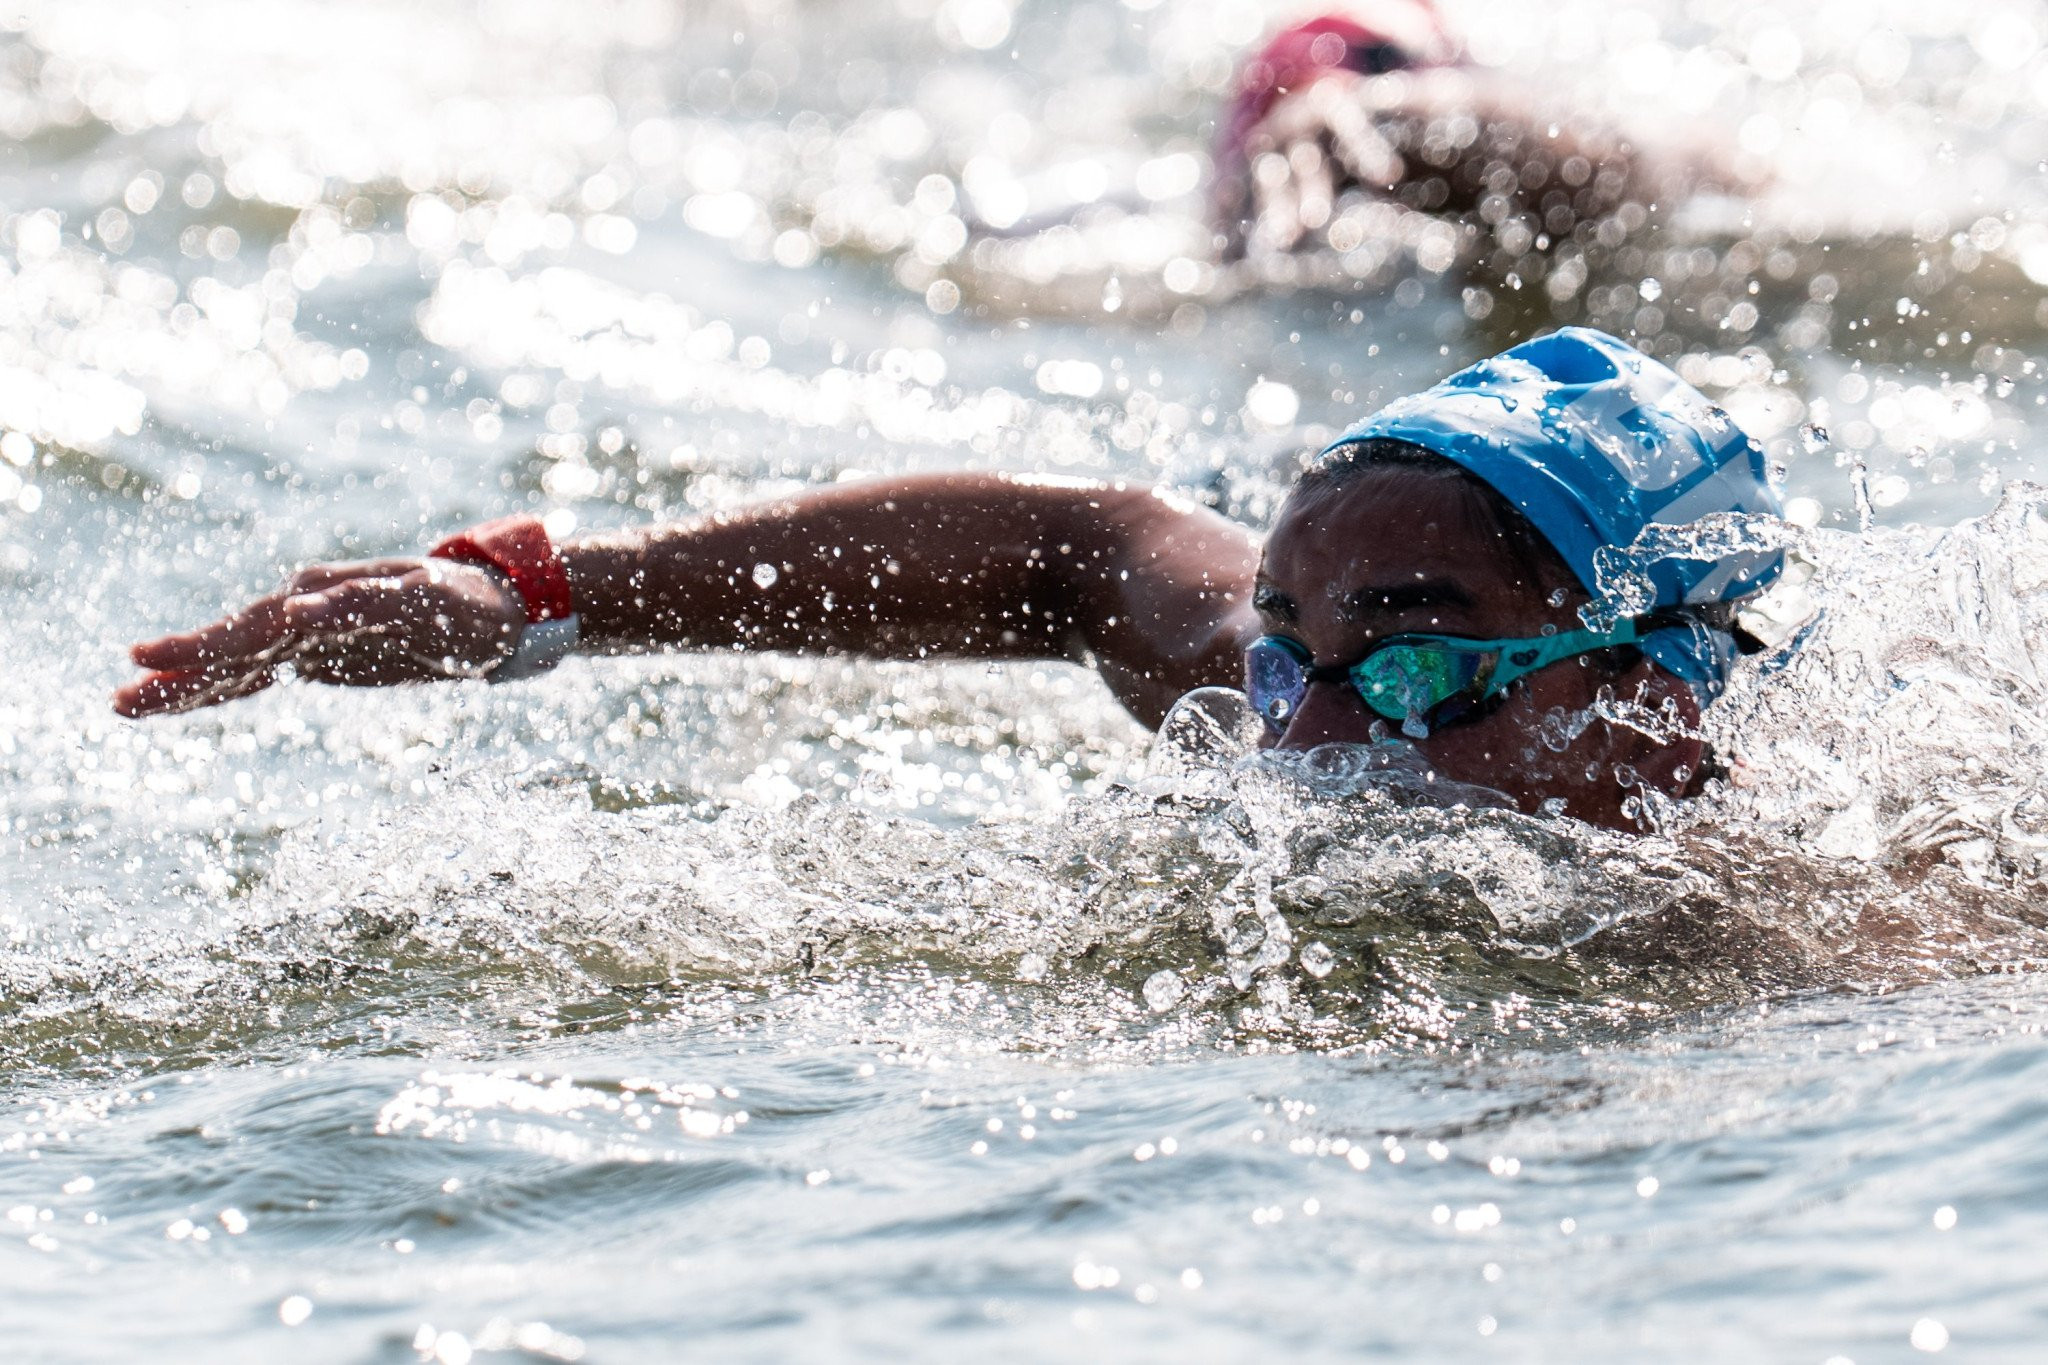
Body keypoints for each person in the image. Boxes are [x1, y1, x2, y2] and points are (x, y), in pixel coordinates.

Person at [115, 327, 1784, 833]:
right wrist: (538, 594)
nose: (1295, 750)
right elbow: (1075, 545)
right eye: (1281, 661)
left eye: (1418, 669)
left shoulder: (1886, 898)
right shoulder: (1308, 697)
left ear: (1650, 689)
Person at [1212, 4, 1744, 266]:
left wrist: (1380, 108)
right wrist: (1321, 96)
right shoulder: (1347, 34)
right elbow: (1322, 60)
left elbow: (1628, 161)